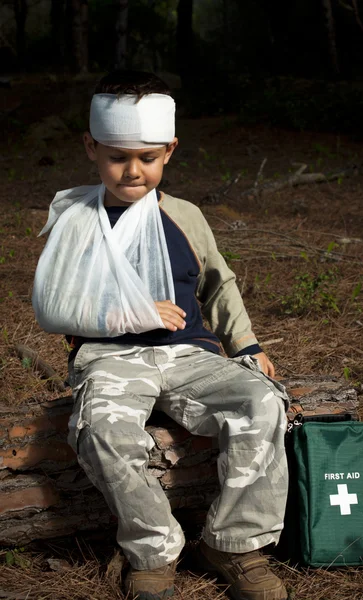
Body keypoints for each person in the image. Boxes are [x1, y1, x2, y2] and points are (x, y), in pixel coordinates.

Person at [32, 70, 289, 600]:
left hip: (187, 353)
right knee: (102, 430)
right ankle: (154, 546)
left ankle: (235, 544)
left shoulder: (185, 217)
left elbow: (220, 285)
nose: (132, 171)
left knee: (263, 403)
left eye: (146, 158)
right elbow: (58, 303)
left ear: (169, 150)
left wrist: (247, 345)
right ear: (91, 147)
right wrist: (131, 310)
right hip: (109, 356)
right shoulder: (76, 221)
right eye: (116, 157)